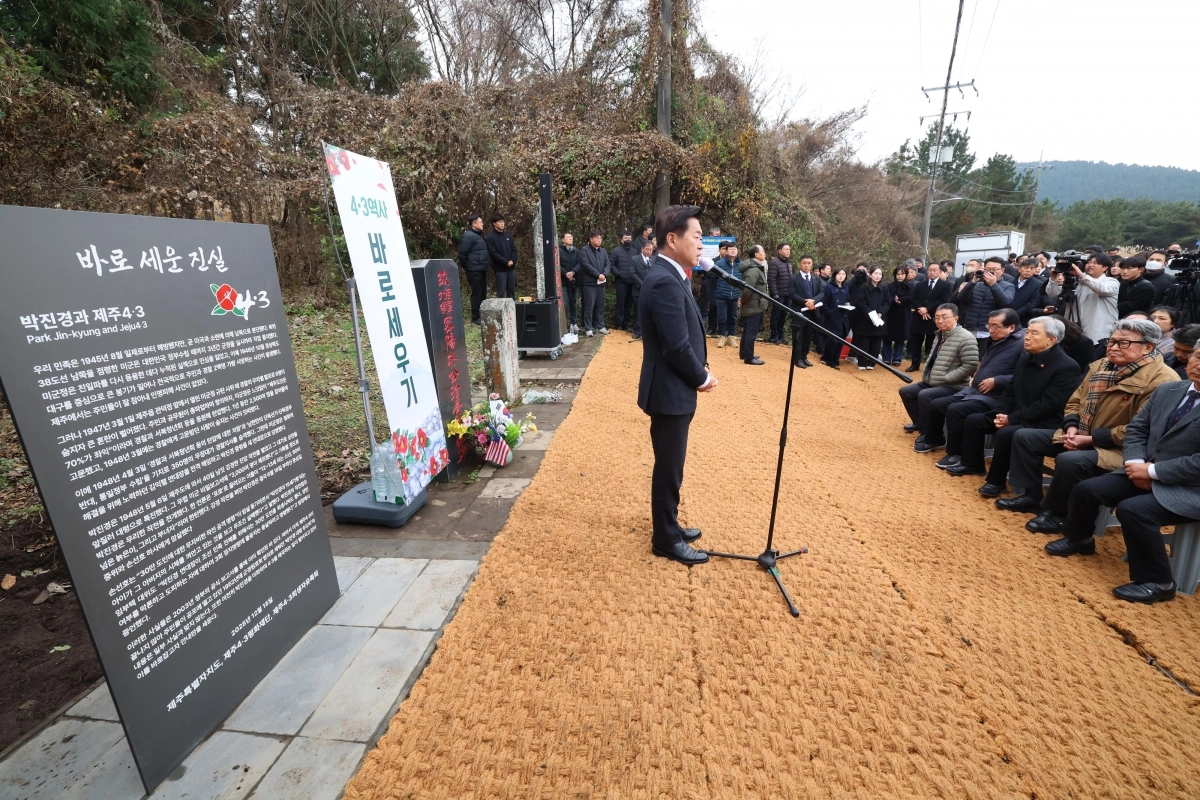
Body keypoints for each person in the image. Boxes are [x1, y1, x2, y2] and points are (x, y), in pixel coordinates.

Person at [1043, 350, 1200, 604]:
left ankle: (1159, 582)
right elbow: (1137, 429)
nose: (1199, 365)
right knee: (1086, 489)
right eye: (1198, 357)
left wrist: (1152, 472)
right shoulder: (1170, 390)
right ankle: (1079, 539)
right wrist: (1136, 464)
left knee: (1134, 510)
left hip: (1190, 486)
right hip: (1145, 468)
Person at [1004, 319, 1177, 528]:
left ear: (1147, 347)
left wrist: (1090, 439)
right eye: (1111, 341)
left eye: (1123, 343)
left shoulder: (1163, 380)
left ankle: (1059, 514)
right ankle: (1031, 496)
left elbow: (1141, 430)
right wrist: (1071, 427)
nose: (1113, 347)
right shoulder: (1102, 365)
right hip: (1083, 433)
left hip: (1122, 449)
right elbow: (1075, 401)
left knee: (1071, 460)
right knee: (1025, 437)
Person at [637, 205, 715, 566]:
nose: (701, 244)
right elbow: (676, 345)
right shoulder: (665, 280)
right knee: (669, 467)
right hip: (670, 390)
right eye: (697, 237)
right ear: (672, 239)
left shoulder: (672, 274)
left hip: (672, 387)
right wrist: (701, 377)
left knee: (670, 463)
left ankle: (669, 525)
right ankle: (665, 539)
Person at [946, 317, 1082, 496]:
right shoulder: (1026, 358)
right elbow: (1010, 391)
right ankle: (972, 464)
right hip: (1017, 414)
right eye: (1027, 332)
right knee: (975, 420)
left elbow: (1048, 405)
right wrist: (1000, 413)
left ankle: (996, 482)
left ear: (1051, 339)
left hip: (1043, 421)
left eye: (1034, 333)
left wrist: (1011, 419)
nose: (1027, 337)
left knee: (1006, 433)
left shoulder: (1066, 366)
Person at [921, 309, 1024, 459]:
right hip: (975, 390)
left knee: (955, 410)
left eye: (995, 326)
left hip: (995, 396)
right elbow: (988, 364)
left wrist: (998, 381)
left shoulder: (1021, 344)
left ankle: (956, 453)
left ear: (1012, 327)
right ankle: (935, 440)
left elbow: (1024, 375)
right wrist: (977, 376)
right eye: (989, 325)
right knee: (937, 404)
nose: (990, 330)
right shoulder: (999, 339)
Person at [897, 302, 979, 437]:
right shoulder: (940, 334)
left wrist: (947, 378)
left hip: (954, 384)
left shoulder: (966, 337)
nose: (940, 321)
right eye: (937, 317)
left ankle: (927, 433)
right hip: (934, 380)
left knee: (925, 395)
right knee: (906, 391)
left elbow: (970, 365)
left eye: (945, 317)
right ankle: (919, 422)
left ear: (956, 318)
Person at [1044, 252, 1118, 358]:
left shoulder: (1111, 282)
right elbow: (1053, 294)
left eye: (1095, 263)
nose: (1090, 265)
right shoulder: (1077, 282)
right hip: (1074, 332)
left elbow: (1102, 289)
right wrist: (1053, 278)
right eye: (1088, 262)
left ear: (1105, 267)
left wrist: (1081, 275)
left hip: (1097, 333)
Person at [955, 256, 1016, 357]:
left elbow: (1005, 302)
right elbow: (961, 299)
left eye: (994, 269)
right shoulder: (977, 284)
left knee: (983, 360)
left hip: (990, 331)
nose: (991, 272)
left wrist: (993, 284)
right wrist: (973, 281)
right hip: (970, 328)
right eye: (987, 269)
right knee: (966, 358)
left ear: (1002, 270)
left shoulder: (1008, 286)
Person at [906, 262, 954, 372]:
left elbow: (943, 300)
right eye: (930, 270)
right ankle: (915, 364)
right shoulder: (920, 284)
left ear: (940, 272)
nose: (932, 272)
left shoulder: (946, 285)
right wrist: (921, 310)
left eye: (934, 270)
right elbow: (913, 299)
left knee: (932, 343)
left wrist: (928, 309)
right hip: (919, 317)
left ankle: (931, 366)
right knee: (916, 343)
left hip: (934, 318)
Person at [850, 265, 888, 370]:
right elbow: (861, 303)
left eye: (880, 274)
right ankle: (862, 363)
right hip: (865, 319)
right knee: (864, 342)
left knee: (876, 343)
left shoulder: (884, 288)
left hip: (879, 319)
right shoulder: (863, 288)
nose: (878, 276)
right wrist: (870, 313)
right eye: (875, 273)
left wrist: (881, 312)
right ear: (870, 274)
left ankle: (871, 363)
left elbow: (887, 302)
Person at [788, 253, 821, 367]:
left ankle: (804, 356)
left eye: (809, 263)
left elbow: (821, 293)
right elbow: (792, 294)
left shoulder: (816, 279)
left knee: (808, 335)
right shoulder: (793, 278)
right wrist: (805, 302)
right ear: (799, 264)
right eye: (804, 263)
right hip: (799, 310)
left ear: (812, 265)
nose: (806, 265)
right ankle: (797, 359)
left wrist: (813, 301)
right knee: (798, 336)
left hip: (812, 311)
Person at [738, 245, 769, 365]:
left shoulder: (756, 268)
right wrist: (743, 301)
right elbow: (747, 290)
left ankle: (744, 353)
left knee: (747, 330)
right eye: (763, 251)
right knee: (751, 332)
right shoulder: (753, 270)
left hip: (754, 305)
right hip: (753, 306)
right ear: (756, 254)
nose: (764, 253)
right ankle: (749, 357)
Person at [458, 213, 490, 324]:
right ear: (474, 224)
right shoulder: (469, 236)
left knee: (482, 293)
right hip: (474, 270)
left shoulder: (479, 235)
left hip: (481, 268)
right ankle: (475, 317)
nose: (482, 224)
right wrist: (467, 267)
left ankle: (482, 315)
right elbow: (462, 254)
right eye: (480, 222)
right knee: (477, 293)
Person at [578, 230, 609, 336]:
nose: (599, 240)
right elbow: (585, 264)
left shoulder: (603, 251)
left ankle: (600, 326)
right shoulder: (584, 250)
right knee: (589, 307)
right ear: (591, 239)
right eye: (597, 238)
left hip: (601, 283)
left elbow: (608, 263)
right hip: (589, 283)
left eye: (600, 238)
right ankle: (588, 328)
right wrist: (597, 274)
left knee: (600, 306)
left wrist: (604, 274)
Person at [820, 268, 853, 368]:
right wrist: (829, 312)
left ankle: (835, 361)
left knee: (841, 339)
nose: (841, 276)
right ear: (834, 275)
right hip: (832, 317)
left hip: (843, 317)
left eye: (843, 274)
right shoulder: (829, 287)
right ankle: (826, 358)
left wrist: (848, 304)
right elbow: (824, 302)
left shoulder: (846, 287)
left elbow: (848, 299)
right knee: (832, 339)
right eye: (839, 274)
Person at [608, 230, 638, 331]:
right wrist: (618, 274)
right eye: (625, 238)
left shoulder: (634, 251)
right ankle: (619, 324)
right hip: (621, 282)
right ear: (621, 240)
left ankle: (626, 323)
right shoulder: (615, 251)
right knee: (621, 303)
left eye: (629, 238)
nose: (628, 240)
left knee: (629, 304)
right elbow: (611, 265)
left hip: (632, 282)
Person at [713, 241, 741, 348]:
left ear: (737, 251)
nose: (733, 251)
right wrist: (718, 290)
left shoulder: (741, 264)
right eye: (730, 249)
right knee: (722, 317)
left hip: (735, 295)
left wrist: (740, 295)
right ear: (726, 251)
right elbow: (713, 280)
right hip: (722, 295)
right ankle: (722, 336)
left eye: (734, 249)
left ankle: (731, 336)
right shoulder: (719, 264)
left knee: (733, 317)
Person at [883, 266, 911, 366]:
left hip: (903, 314)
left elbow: (911, 298)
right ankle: (886, 358)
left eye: (902, 274)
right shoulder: (889, 286)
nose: (900, 276)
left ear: (906, 275)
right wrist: (893, 300)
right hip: (890, 313)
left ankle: (897, 358)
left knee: (900, 338)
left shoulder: (909, 286)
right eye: (898, 274)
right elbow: (886, 298)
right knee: (887, 337)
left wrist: (901, 300)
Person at [485, 213, 517, 299]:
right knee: (501, 293)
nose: (502, 223)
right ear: (494, 223)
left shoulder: (508, 235)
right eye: (499, 222)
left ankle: (512, 307)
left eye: (503, 221)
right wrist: (505, 262)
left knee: (511, 292)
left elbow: (514, 249)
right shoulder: (490, 237)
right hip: (500, 269)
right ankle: (500, 307)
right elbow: (493, 253)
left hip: (511, 268)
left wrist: (512, 260)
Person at [767, 244, 794, 344]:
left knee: (783, 315)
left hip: (787, 294)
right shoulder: (774, 262)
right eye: (786, 249)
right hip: (778, 294)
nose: (788, 251)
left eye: (789, 250)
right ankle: (774, 336)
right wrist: (774, 293)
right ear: (779, 250)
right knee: (776, 315)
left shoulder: (788, 262)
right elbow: (771, 279)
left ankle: (781, 334)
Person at [1011, 256, 1047, 325]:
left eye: (1032, 268)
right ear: (1019, 269)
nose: (1028, 270)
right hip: (1005, 315)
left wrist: (1015, 315)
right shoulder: (1009, 282)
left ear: (1035, 270)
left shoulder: (1038, 285)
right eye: (1026, 267)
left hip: (1024, 320)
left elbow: (1031, 303)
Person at [631, 240, 653, 340]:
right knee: (638, 311)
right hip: (638, 289)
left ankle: (648, 332)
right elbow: (632, 273)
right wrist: (641, 283)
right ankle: (637, 331)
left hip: (651, 290)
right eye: (647, 249)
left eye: (651, 250)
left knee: (650, 311)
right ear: (642, 249)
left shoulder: (653, 260)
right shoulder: (635, 259)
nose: (649, 252)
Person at [559, 232, 580, 334]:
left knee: (574, 303)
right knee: (565, 303)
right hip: (563, 281)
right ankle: (564, 324)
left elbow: (580, 263)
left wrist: (573, 272)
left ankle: (573, 323)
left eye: (571, 237)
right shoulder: (559, 251)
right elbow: (557, 264)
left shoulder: (576, 251)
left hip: (574, 280)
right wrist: (565, 273)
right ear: (563, 240)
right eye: (568, 237)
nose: (570, 238)